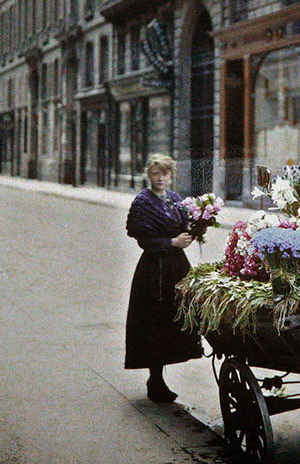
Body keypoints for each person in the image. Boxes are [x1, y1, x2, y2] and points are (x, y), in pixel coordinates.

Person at [125, 153, 202, 402]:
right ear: (150, 175)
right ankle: (155, 379)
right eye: (157, 174)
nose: (161, 178)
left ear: (171, 176)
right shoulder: (143, 202)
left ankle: (161, 377)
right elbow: (143, 240)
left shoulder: (174, 199)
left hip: (176, 266)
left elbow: (185, 225)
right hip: (154, 271)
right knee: (155, 321)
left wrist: (192, 234)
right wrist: (172, 242)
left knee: (175, 316)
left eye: (165, 174)